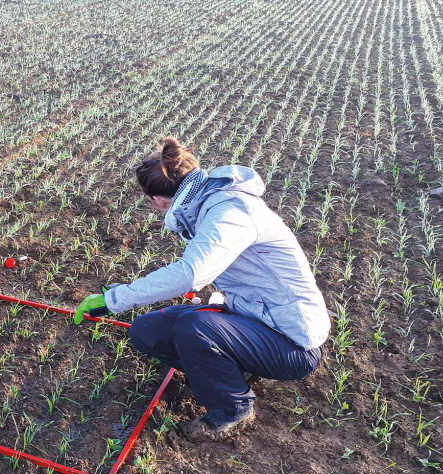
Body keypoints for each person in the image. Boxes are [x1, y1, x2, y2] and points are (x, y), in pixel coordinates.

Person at [74, 137, 329, 441]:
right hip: (253, 316)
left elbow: (190, 274)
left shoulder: (231, 211)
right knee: (146, 330)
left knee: (195, 328)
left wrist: (113, 299)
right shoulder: (211, 204)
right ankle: (231, 372)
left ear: (157, 200)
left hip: (292, 342)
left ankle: (232, 411)